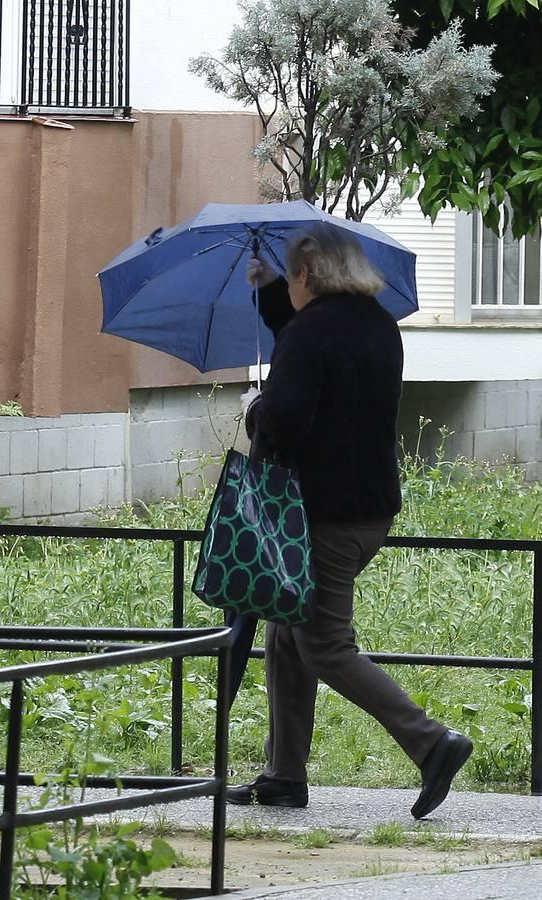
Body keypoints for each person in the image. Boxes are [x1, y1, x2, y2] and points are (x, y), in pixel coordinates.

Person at [228, 223, 472, 820]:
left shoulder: (311, 332)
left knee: (324, 643)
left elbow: (283, 418)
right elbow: (323, 361)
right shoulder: (378, 325)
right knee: (285, 636)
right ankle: (284, 776)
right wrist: (270, 295)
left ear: (308, 274)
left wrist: (255, 407)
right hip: (370, 512)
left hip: (321, 517)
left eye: (292, 274)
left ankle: (431, 742)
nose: (290, 284)